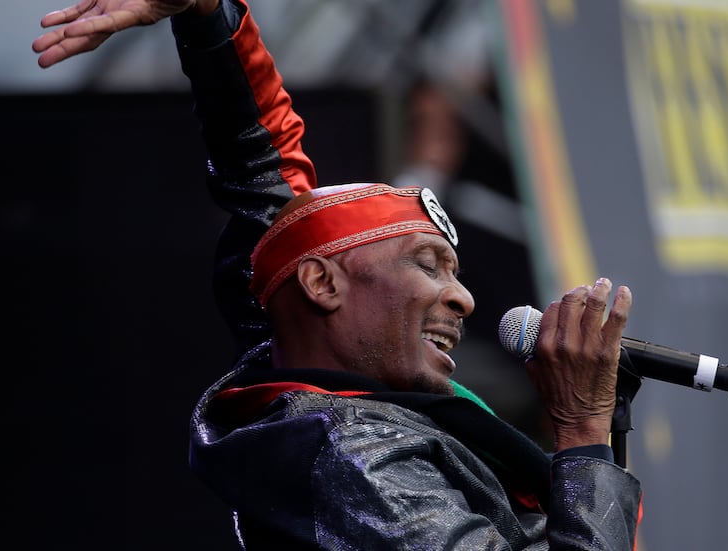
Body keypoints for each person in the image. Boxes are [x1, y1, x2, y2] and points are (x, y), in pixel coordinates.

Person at [33, 1, 643, 549]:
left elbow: (261, 162)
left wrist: (207, 17)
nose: (462, 298)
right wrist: (582, 430)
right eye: (428, 266)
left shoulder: (308, 361)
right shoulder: (356, 456)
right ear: (323, 286)